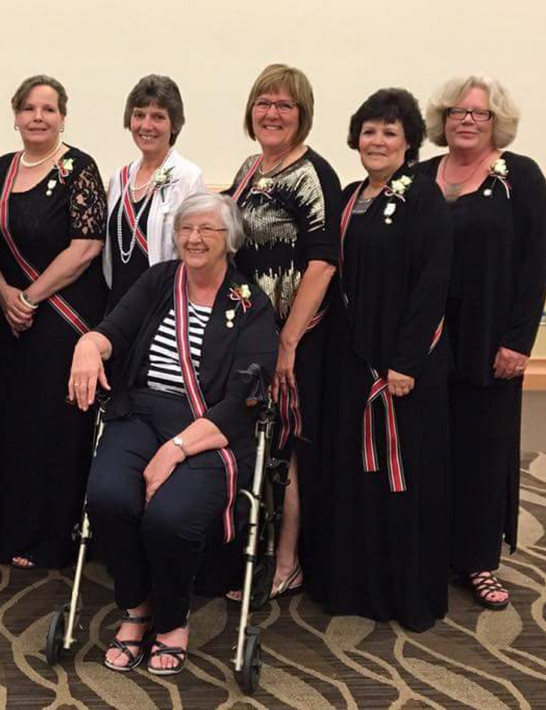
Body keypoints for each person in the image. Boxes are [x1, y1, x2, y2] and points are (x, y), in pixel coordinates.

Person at [69, 192, 277, 674]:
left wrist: (177, 449)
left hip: (208, 427)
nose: (194, 238)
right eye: (186, 228)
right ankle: (137, 607)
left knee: (170, 516)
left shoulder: (251, 303)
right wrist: (87, 344)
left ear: (231, 240)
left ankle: (172, 621)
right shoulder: (160, 279)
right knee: (107, 497)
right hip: (140, 413)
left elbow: (248, 397)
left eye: (208, 229)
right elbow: (114, 330)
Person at [311, 88, 453, 631]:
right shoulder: (348, 197)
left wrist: (406, 362)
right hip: (352, 362)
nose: (377, 141)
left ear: (409, 141)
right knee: (354, 477)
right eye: (369, 131)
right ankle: (351, 587)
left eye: (389, 132)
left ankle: (403, 594)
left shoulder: (424, 197)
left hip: (403, 369)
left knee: (401, 478)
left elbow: (432, 283)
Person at [417, 75, 546, 610]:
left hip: (490, 342)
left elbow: (536, 262)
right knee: (431, 448)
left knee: (482, 450)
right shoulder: (420, 176)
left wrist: (518, 342)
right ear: (443, 119)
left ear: (497, 122)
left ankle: (477, 560)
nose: (467, 120)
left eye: (480, 113)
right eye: (458, 111)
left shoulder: (520, 177)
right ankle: (430, 549)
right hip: (428, 345)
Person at [224, 64, 341, 600]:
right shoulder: (252, 168)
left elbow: (322, 264)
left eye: (285, 106)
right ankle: (250, 551)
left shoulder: (313, 174)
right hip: (251, 332)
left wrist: (289, 342)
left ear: (303, 116)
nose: (272, 114)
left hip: (297, 337)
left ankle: (287, 563)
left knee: (289, 446)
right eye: (263, 103)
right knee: (251, 439)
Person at [0, 75, 108, 569]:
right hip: (11, 318)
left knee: (58, 430)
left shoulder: (79, 168)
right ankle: (16, 528)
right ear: (15, 114)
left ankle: (56, 537)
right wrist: (4, 293)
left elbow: (86, 247)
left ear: (63, 117)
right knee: (17, 428)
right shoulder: (0, 168)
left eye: (49, 109)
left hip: (64, 317)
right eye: (30, 108)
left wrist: (31, 297)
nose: (39, 117)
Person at [103, 75, 204, 309]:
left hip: (163, 305)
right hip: (118, 306)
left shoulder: (187, 177)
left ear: (175, 124)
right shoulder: (120, 178)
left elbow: (199, 252)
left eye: (158, 117)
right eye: (139, 115)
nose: (146, 126)